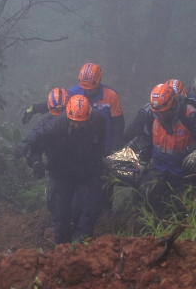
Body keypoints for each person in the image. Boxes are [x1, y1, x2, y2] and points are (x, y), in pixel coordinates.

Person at [14, 95, 107, 243]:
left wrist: (98, 165)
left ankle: (80, 240)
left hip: (86, 170)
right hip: (61, 171)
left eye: (80, 123)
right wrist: (29, 150)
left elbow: (100, 145)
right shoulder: (57, 123)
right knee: (59, 210)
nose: (77, 126)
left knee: (92, 206)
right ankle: (62, 245)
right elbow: (39, 136)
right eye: (74, 122)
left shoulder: (98, 120)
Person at [138, 84, 196, 214]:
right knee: (147, 191)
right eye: (157, 112)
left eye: (163, 111)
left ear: (172, 104)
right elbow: (147, 138)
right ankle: (154, 225)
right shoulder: (152, 113)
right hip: (159, 165)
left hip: (183, 168)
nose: (161, 115)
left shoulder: (189, 114)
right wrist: (143, 161)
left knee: (183, 204)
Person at [21, 63, 124, 153]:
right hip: (82, 143)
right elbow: (57, 103)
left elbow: (118, 123)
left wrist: (116, 147)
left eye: (92, 88)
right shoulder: (74, 92)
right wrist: (35, 109)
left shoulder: (111, 95)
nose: (89, 91)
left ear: (99, 80)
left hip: (105, 142)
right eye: (85, 88)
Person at [23, 88, 70, 180]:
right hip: (58, 170)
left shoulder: (78, 120)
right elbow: (36, 144)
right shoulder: (44, 125)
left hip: (83, 168)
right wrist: (36, 160)